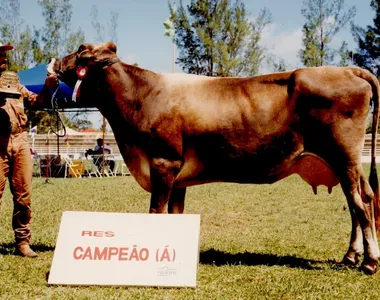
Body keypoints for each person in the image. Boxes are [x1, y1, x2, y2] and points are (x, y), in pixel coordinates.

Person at [0, 42, 58, 257]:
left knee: (23, 195)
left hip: (20, 139)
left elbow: (36, 101)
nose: (4, 58)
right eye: (0, 54)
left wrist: (47, 87)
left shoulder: (15, 83)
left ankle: (23, 241)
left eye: (4, 54)